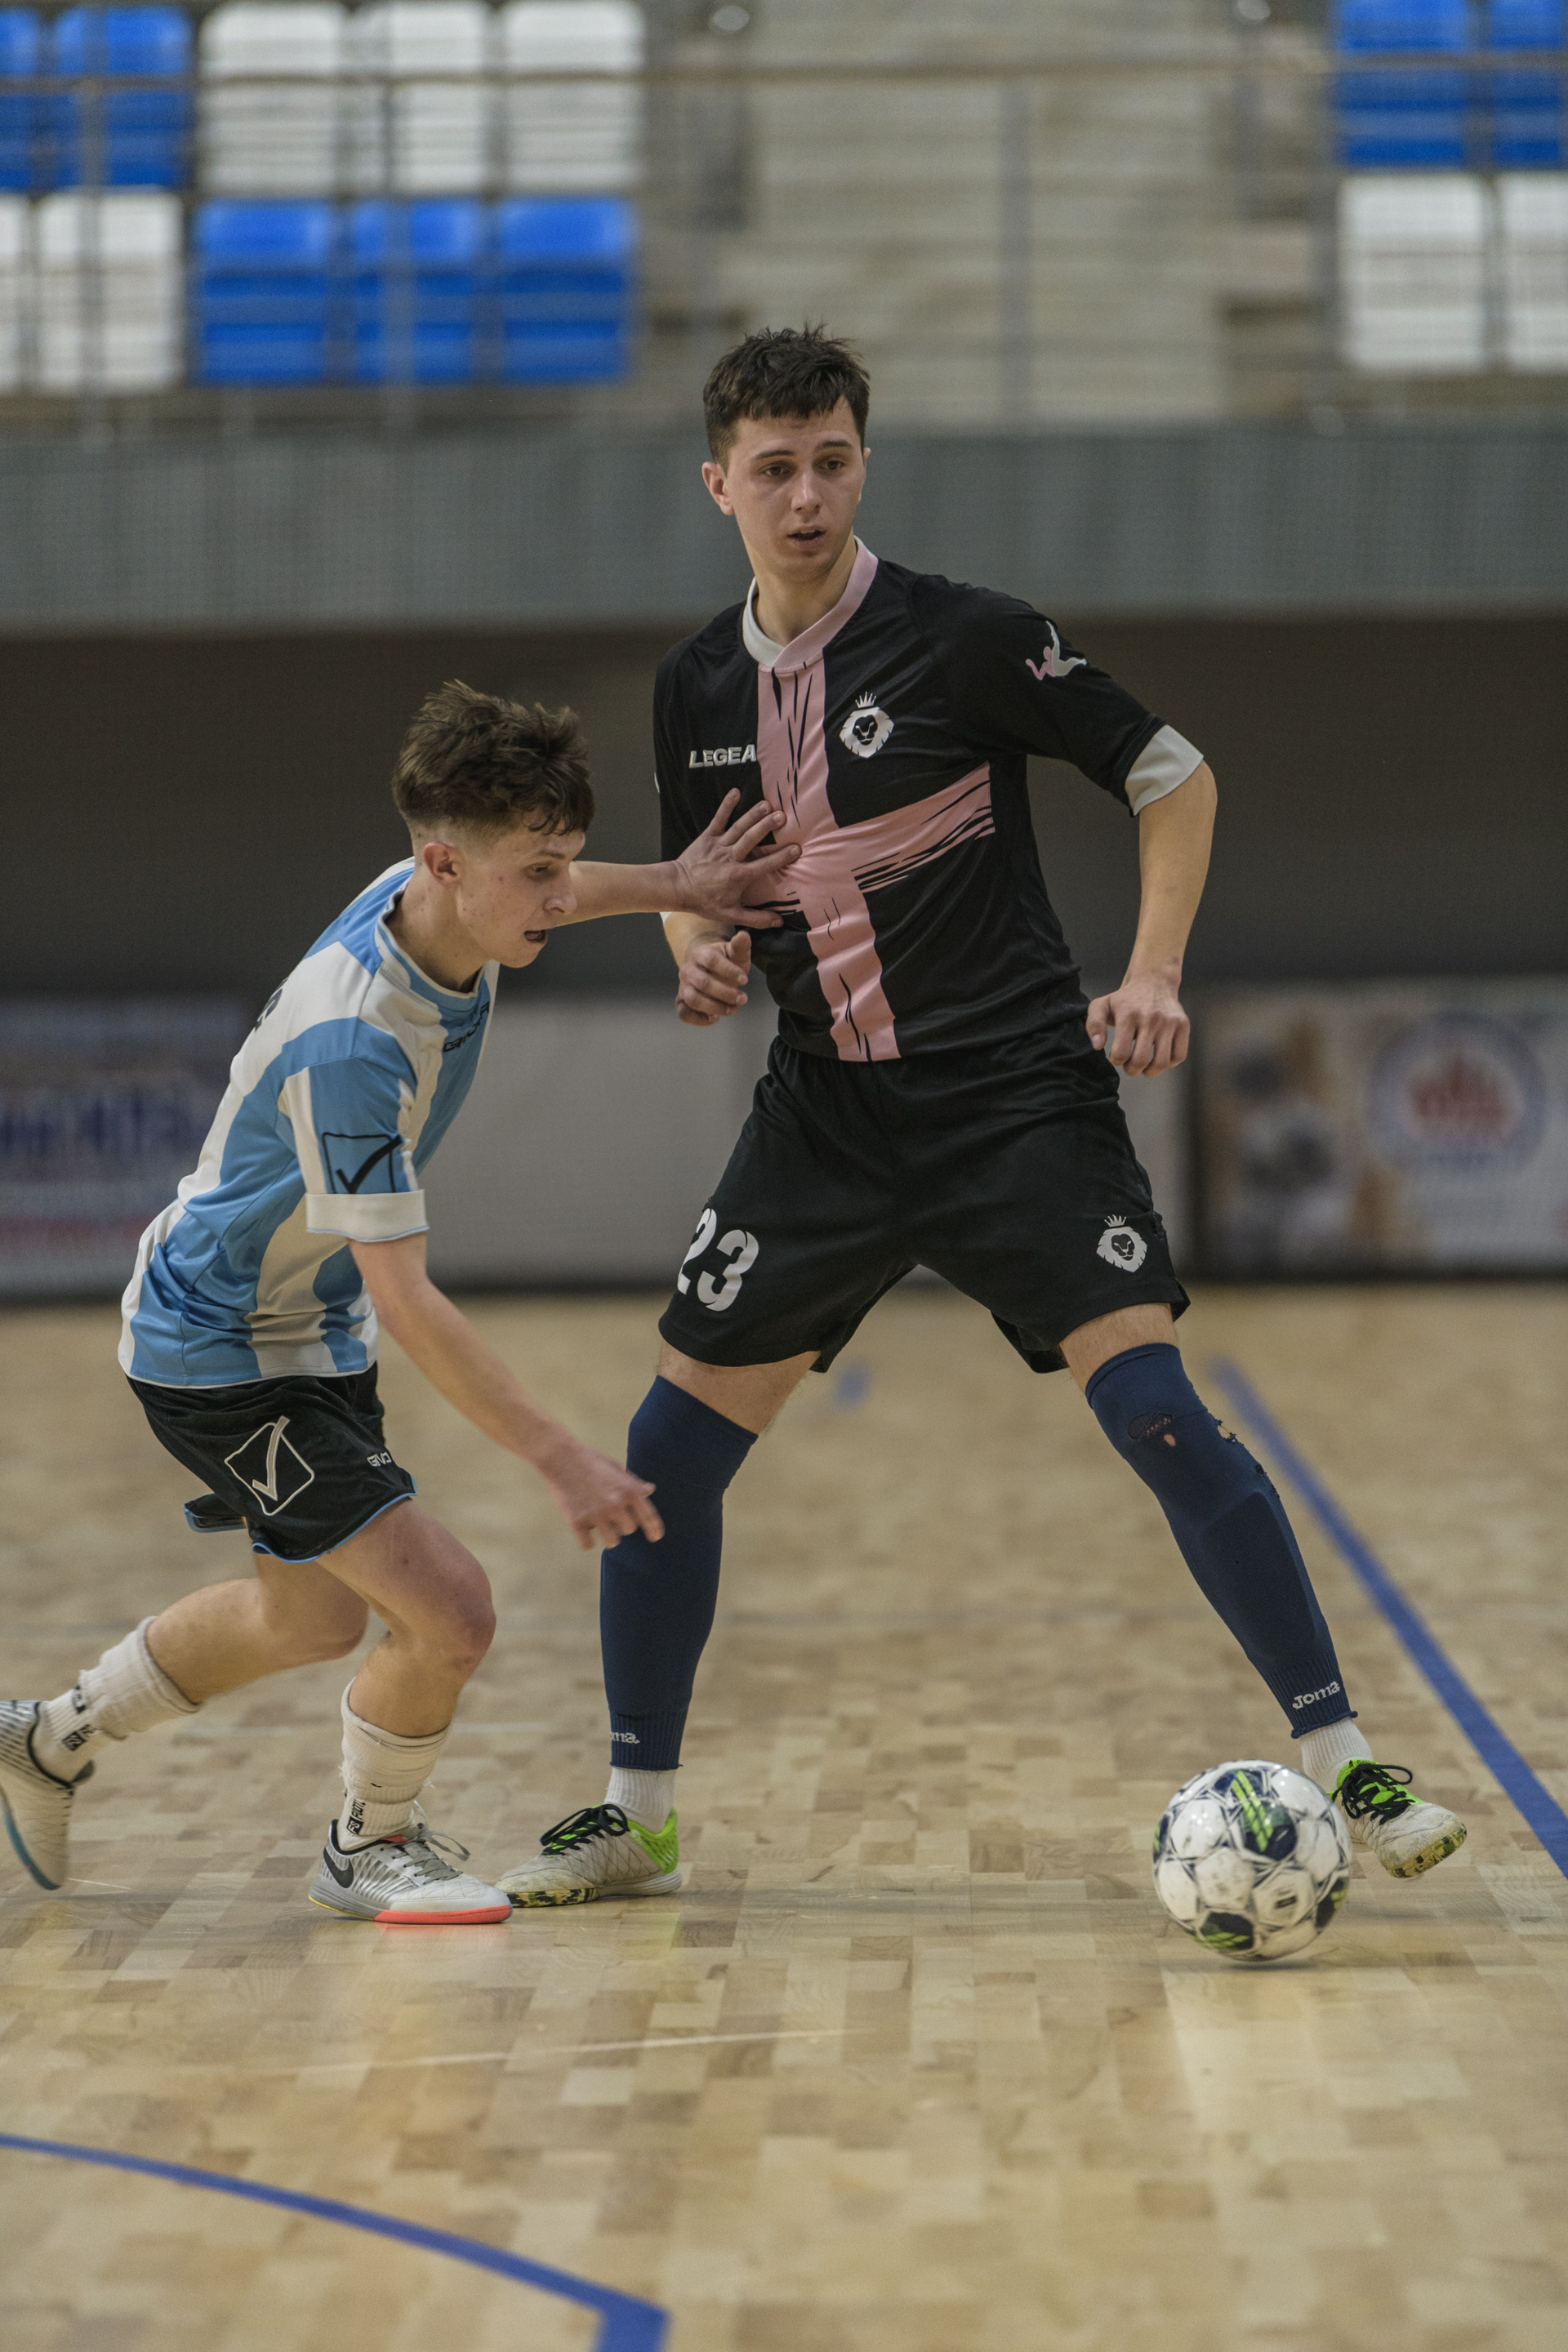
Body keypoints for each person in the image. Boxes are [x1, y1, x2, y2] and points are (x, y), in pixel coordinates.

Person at [497, 327, 1466, 1909]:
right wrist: (693, 950)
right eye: (774, 471)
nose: (806, 499)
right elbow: (698, 882)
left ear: (862, 464)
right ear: (718, 484)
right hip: (824, 1122)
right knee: (666, 1454)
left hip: (1017, 1104)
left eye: (832, 463)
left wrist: (1153, 971)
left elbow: (1176, 774)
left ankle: (1346, 1752)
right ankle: (635, 1814)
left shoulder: (967, 639)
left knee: (1158, 1413)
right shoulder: (692, 686)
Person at [0, 681, 795, 1923]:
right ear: (443, 863)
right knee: (452, 1612)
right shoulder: (357, 1045)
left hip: (305, 1327)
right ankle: (368, 1844)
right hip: (217, 1347)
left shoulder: (437, 902)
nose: (560, 898)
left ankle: (48, 1737)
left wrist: (676, 885)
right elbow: (411, 1301)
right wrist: (562, 1458)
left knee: (309, 1617)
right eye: (538, 875)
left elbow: (560, 882)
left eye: (565, 865)